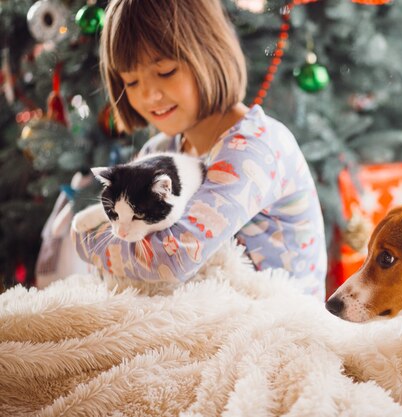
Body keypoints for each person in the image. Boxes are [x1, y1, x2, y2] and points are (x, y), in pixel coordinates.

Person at [72, 0, 327, 300]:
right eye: (131, 80)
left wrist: (86, 241)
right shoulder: (160, 150)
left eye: (165, 71)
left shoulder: (256, 146)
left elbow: (174, 258)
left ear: (208, 53)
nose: (149, 94)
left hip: (283, 327)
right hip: (212, 317)